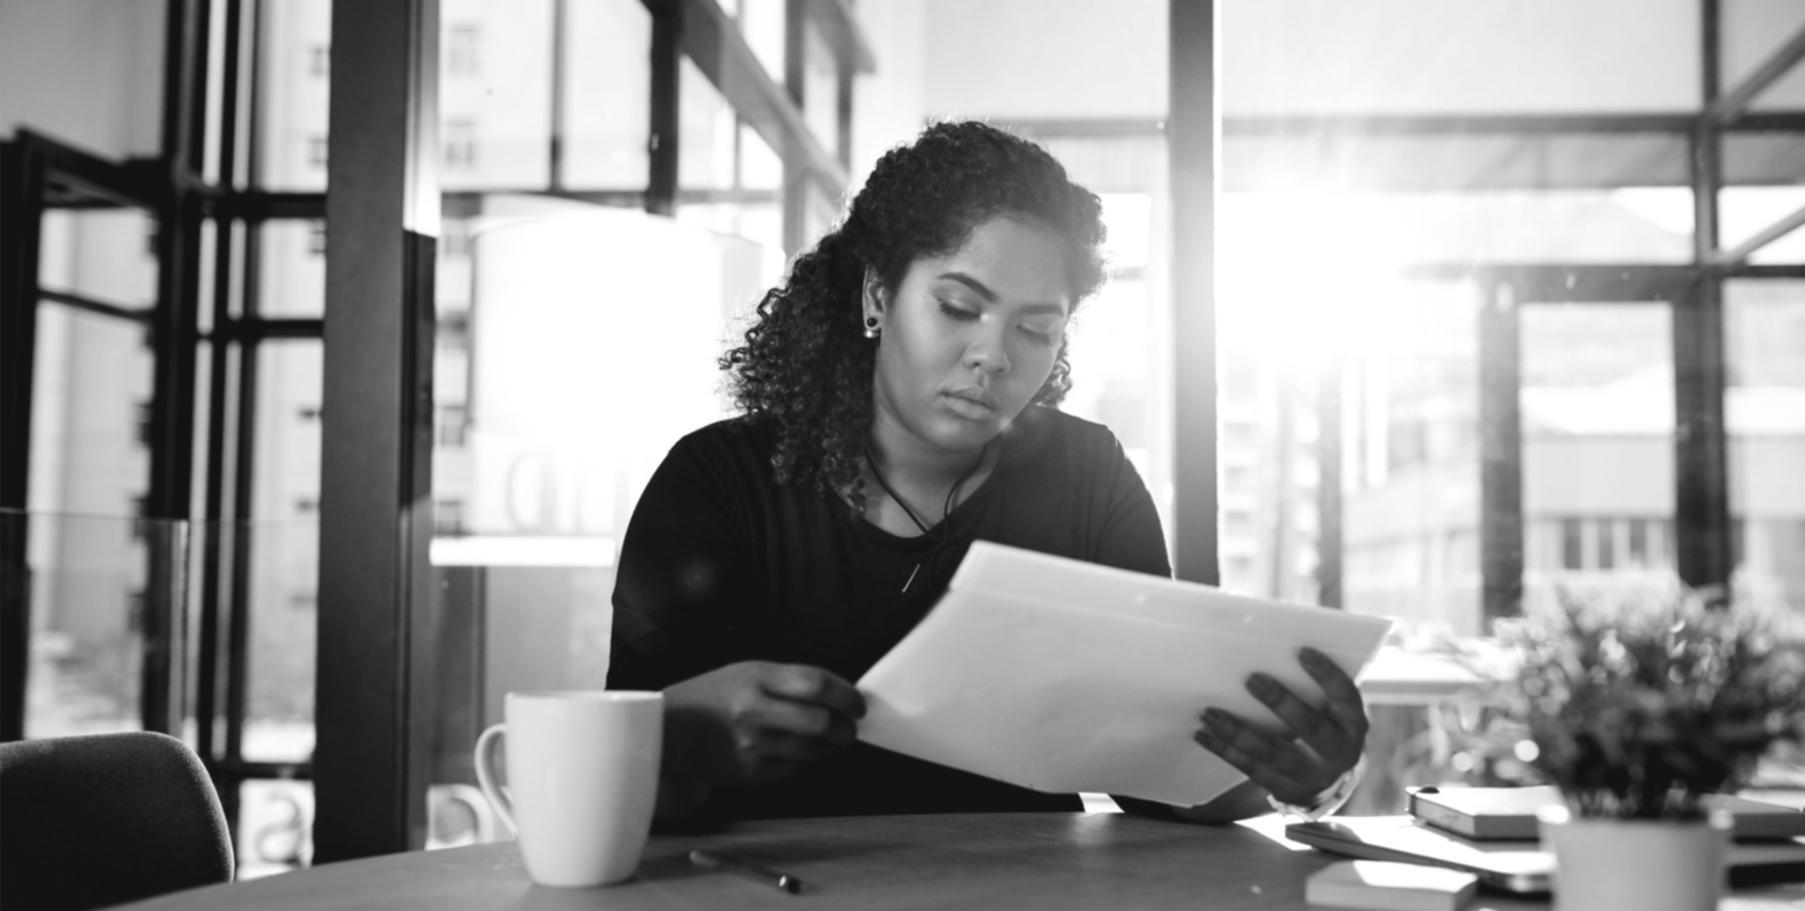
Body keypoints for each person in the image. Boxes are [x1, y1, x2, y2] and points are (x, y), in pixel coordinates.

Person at [607, 120, 1368, 825]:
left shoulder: (1088, 478)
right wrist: (679, 737)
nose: (994, 357)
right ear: (877, 294)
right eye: (957, 307)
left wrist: (1302, 779)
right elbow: (603, 781)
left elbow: (1156, 776)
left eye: (1035, 328)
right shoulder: (719, 483)